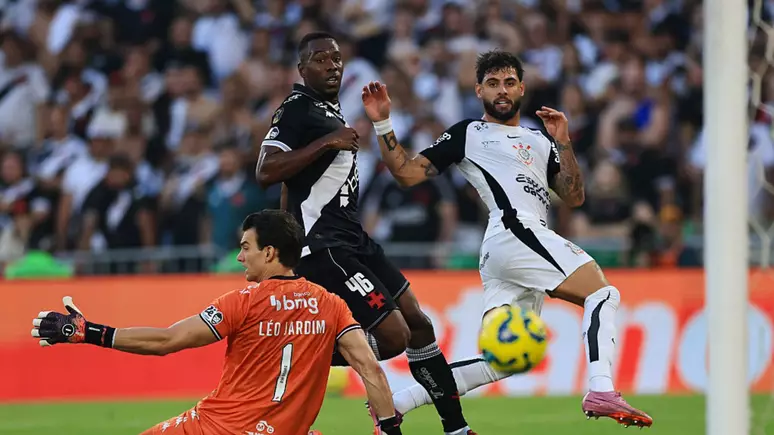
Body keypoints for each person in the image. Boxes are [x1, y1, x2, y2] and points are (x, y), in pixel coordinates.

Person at [360, 50, 654, 428]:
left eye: (509, 83)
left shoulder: (539, 140)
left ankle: (397, 401)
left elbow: (574, 195)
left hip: (506, 249)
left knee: (501, 363)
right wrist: (384, 123)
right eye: (493, 84)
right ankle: (600, 387)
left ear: (522, 88)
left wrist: (563, 141)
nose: (502, 91)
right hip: (515, 230)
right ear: (479, 89)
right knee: (603, 294)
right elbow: (407, 172)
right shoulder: (468, 133)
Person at [255, 32, 475, 435]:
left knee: (419, 324)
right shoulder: (296, 108)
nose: (332, 65)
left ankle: (456, 429)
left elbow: (294, 185)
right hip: (323, 244)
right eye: (320, 59)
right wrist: (327, 142)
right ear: (302, 69)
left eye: (337, 58)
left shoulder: (331, 111)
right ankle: (304, 352)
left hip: (354, 238)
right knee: (392, 336)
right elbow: (267, 170)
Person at [30, 210, 404, 435]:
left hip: (218, 426)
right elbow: (371, 369)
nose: (240, 257)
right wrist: (388, 429)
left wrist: (88, 331)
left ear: (269, 253)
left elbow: (168, 340)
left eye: (246, 247)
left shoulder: (243, 302)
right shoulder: (332, 305)